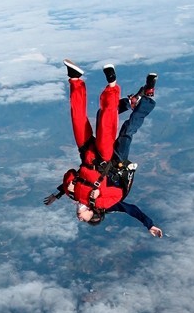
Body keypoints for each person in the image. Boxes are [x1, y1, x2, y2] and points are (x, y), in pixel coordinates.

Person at [43, 59, 163, 238]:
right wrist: (150, 225)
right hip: (111, 160)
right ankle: (126, 90)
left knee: (81, 119)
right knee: (122, 129)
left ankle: (75, 80)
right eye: (86, 219)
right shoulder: (105, 204)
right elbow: (131, 209)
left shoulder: (76, 195)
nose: (80, 218)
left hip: (88, 154)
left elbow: (72, 176)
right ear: (95, 214)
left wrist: (59, 193)